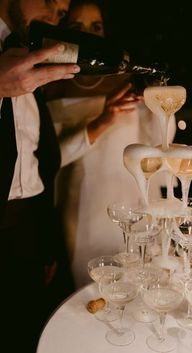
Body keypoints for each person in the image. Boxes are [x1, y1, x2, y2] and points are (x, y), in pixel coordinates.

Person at [46, 0, 177, 289]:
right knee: (95, 290)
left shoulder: (129, 78)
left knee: (144, 286)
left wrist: (161, 103)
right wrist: (104, 120)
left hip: (139, 202)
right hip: (85, 209)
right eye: (77, 26)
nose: (89, 34)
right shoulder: (51, 84)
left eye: (96, 26)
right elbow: (49, 160)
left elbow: (163, 142)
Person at [0, 1, 81, 352]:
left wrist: (46, 243)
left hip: (28, 231)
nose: (53, 16)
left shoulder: (31, 55)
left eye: (61, 12)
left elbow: (36, 164)